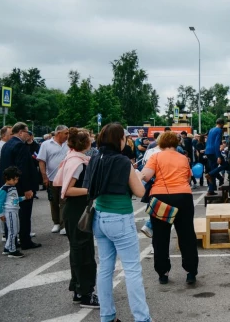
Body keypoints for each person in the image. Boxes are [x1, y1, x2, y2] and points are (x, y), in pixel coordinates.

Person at [85, 123, 152, 322]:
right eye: (123, 137)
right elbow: (140, 192)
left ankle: (107, 316)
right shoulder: (122, 161)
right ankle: (142, 318)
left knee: (105, 268)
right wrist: (139, 176)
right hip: (120, 218)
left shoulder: (95, 157)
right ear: (118, 140)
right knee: (132, 270)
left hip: (99, 216)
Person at [140, 132, 199, 285]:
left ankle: (163, 272)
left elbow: (146, 176)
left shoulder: (155, 157)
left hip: (161, 198)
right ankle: (190, 271)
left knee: (160, 236)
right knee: (186, 234)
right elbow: (187, 178)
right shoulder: (183, 158)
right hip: (183, 197)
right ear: (176, 143)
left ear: (160, 143)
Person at [54, 128, 99, 308]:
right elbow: (67, 190)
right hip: (77, 209)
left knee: (79, 250)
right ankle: (85, 293)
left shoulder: (74, 157)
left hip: (75, 209)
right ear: (85, 143)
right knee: (83, 251)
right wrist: (91, 191)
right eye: (89, 138)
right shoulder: (77, 162)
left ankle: (79, 289)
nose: (92, 140)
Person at [0, 122, 41, 250]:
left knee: (11, 213)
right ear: (21, 132)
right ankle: (25, 241)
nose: (29, 135)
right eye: (27, 132)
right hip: (21, 188)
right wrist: (27, 188)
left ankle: (12, 241)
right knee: (24, 215)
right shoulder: (20, 145)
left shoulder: (6, 145)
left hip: (9, 186)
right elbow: (22, 169)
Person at [38, 125, 69, 234]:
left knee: (64, 201)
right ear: (58, 133)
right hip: (52, 178)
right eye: (65, 133)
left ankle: (63, 224)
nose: (67, 135)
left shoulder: (68, 144)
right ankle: (56, 223)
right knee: (54, 201)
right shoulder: (46, 145)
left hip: (66, 178)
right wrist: (44, 177)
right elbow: (42, 161)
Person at [0, 167, 25, 258]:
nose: (16, 181)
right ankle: (12, 250)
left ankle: (7, 247)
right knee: (12, 230)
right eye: (14, 179)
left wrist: (24, 198)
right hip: (9, 211)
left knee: (15, 230)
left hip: (14, 210)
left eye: (17, 179)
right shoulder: (4, 189)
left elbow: (14, 200)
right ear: (7, 178)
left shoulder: (12, 187)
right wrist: (1, 214)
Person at [204, 119, 224, 195]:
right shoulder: (219, 130)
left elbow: (208, 141)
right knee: (225, 164)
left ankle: (211, 189)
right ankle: (219, 178)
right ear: (222, 124)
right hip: (214, 152)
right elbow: (216, 144)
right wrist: (218, 156)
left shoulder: (211, 130)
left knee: (213, 169)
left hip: (208, 151)